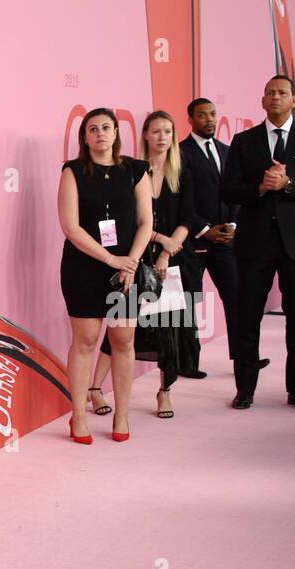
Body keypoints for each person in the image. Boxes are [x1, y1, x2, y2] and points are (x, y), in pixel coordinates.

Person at [221, 74, 295, 410]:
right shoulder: (244, 141)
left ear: (293, 100)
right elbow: (228, 190)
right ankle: (245, 389)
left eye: (282, 93)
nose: (275, 97)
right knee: (247, 317)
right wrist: (260, 186)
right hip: (254, 242)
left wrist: (286, 183)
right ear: (262, 101)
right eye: (269, 93)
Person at [89, 111, 196, 419]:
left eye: (168, 131)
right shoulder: (131, 171)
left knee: (168, 330)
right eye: (156, 131)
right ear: (145, 135)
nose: (162, 137)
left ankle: (165, 393)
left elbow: (190, 216)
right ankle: (95, 388)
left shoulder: (183, 170)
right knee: (119, 329)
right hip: (134, 257)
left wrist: (167, 250)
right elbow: (133, 220)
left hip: (173, 262)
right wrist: (159, 240)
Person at [58, 108, 153, 443]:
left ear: (116, 133)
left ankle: (122, 416)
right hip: (84, 267)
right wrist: (110, 258)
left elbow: (146, 223)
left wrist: (129, 262)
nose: (100, 134)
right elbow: (70, 226)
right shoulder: (73, 172)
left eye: (106, 128)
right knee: (84, 342)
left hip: (125, 272)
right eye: (92, 129)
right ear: (84, 136)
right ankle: (78, 417)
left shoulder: (137, 171)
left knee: (123, 341)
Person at [177, 97, 260, 375]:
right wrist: (204, 230)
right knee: (190, 301)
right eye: (202, 115)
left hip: (226, 240)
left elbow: (237, 192)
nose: (209, 119)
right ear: (190, 119)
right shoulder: (180, 154)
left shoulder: (227, 151)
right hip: (193, 241)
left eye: (212, 114)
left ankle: (244, 357)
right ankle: (188, 363)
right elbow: (181, 202)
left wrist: (233, 226)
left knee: (237, 298)